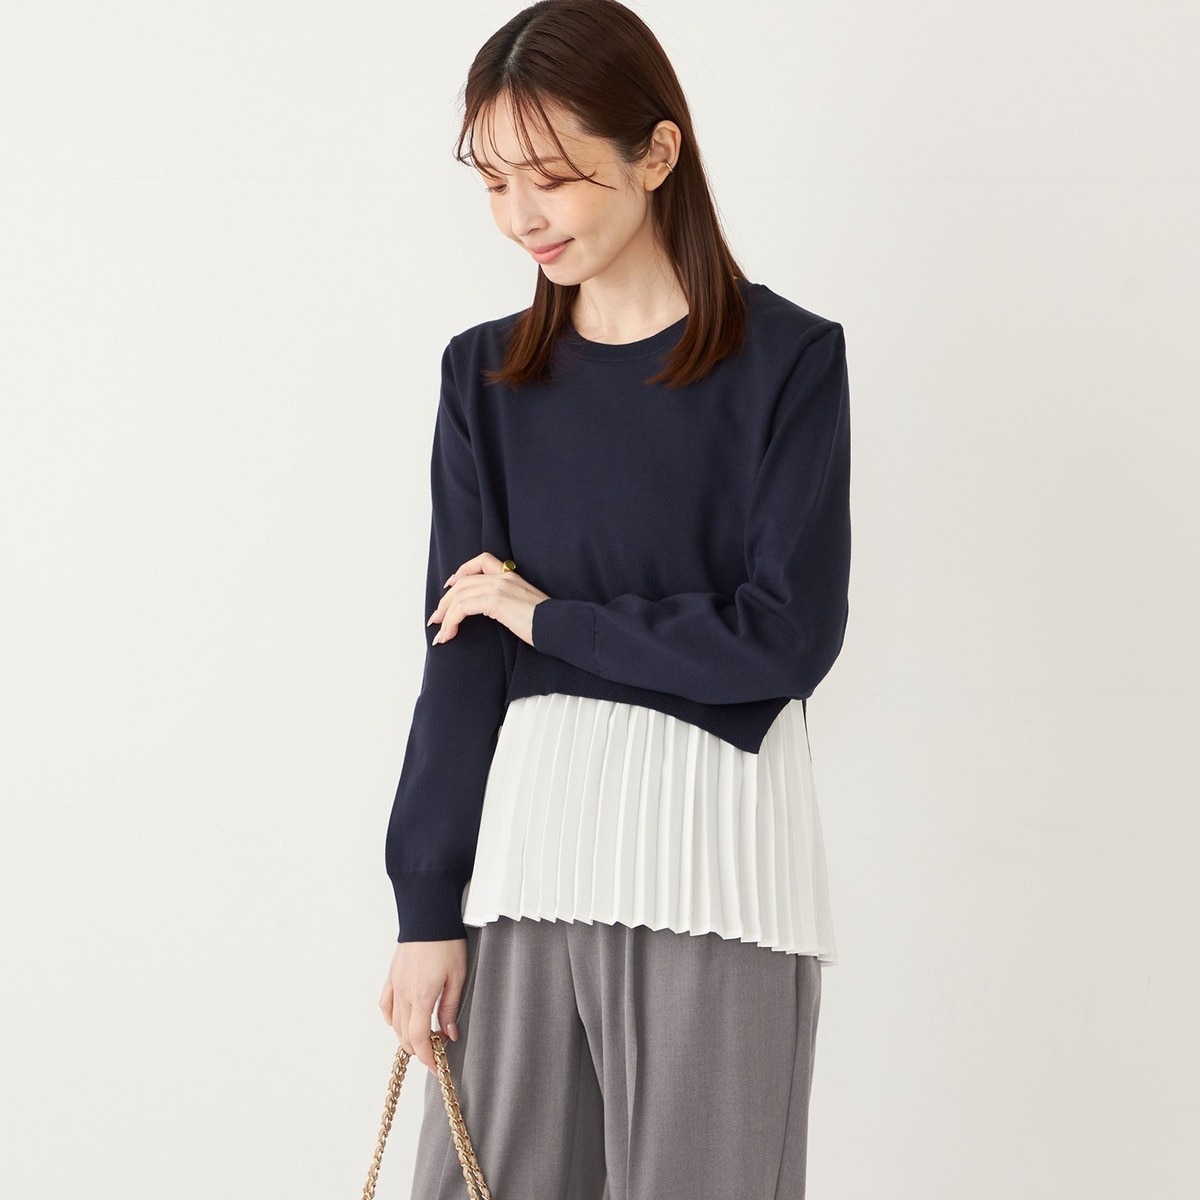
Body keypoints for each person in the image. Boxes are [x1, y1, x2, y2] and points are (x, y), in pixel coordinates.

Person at [378, 2, 852, 1196]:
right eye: (494, 183)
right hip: (523, 864)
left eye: (550, 177)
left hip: (718, 870)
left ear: (656, 153)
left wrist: (546, 621)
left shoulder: (787, 362)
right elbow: (460, 659)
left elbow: (784, 640)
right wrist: (426, 903)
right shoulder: (485, 378)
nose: (519, 217)